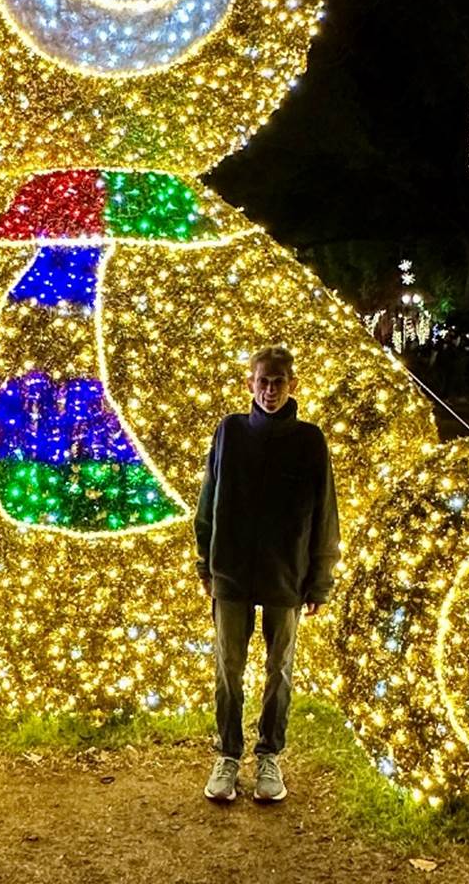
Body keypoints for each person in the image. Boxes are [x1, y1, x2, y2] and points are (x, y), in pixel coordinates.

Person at [194, 344, 340, 804]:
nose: (270, 390)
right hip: (233, 572)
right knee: (228, 669)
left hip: (286, 575)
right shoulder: (230, 432)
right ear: (250, 384)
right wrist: (206, 563)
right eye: (263, 381)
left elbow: (325, 514)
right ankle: (228, 755)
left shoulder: (310, 441)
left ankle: (270, 756)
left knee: (280, 670)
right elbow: (208, 502)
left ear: (292, 386)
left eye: (279, 382)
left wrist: (320, 579)